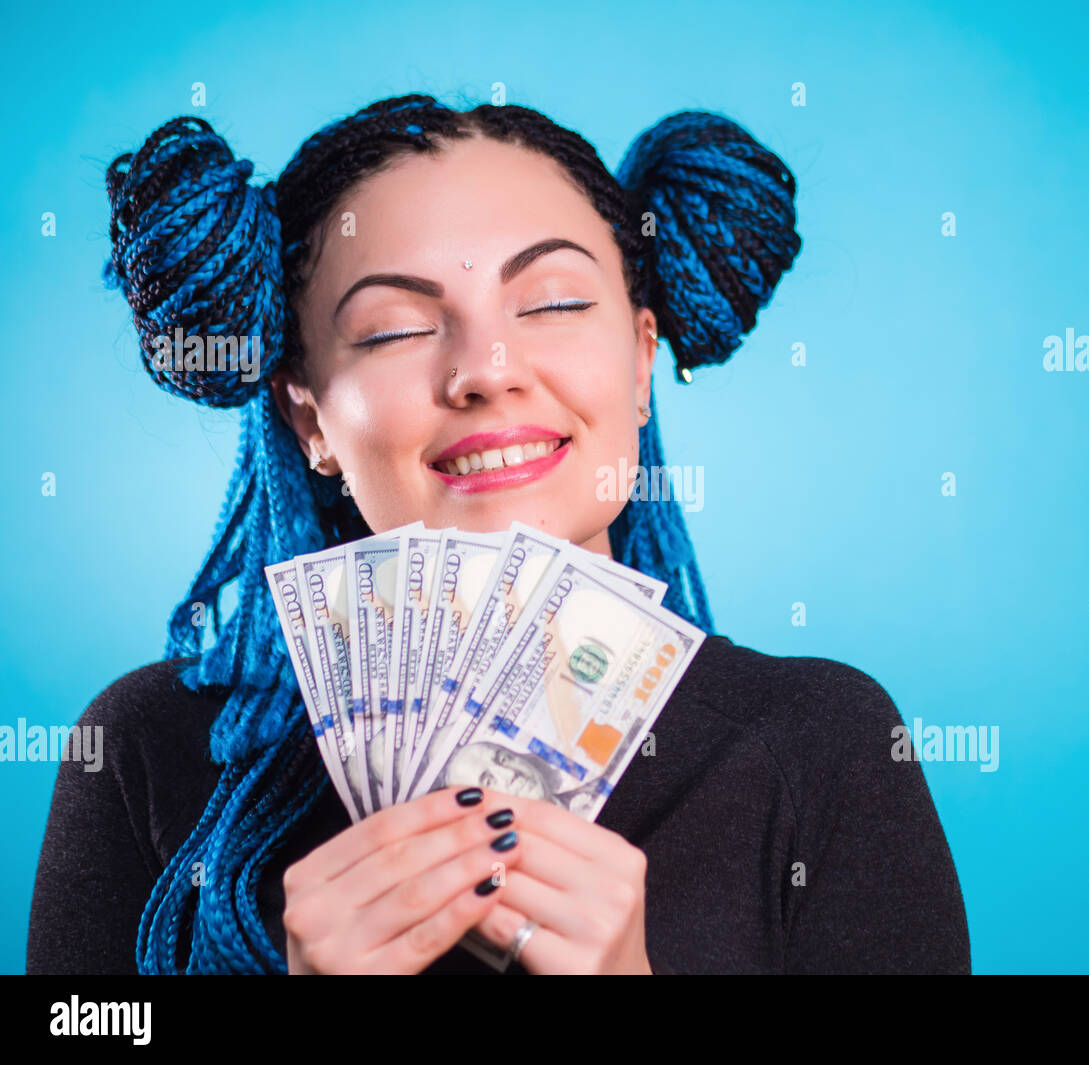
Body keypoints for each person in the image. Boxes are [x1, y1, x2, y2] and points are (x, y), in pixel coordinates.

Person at [26, 94, 971, 975]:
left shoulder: (823, 743)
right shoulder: (146, 748)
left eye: (554, 303)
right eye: (394, 328)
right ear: (308, 416)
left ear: (642, 361)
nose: (487, 369)